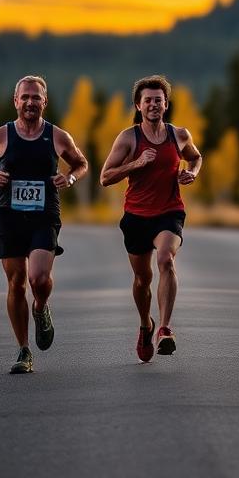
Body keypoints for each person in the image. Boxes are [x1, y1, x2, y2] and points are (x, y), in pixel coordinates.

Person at [0, 75, 88, 374]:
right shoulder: (1, 136)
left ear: (44, 102)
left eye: (36, 97)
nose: (30, 102)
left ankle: (40, 308)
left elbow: (81, 163)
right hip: (9, 214)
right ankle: (24, 350)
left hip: (44, 214)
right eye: (25, 97)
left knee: (39, 278)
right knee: (16, 282)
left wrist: (70, 177)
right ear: (15, 101)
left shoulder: (57, 136)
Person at [99, 74, 202, 362]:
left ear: (166, 104)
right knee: (142, 279)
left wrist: (192, 172)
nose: (154, 105)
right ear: (138, 105)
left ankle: (165, 329)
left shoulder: (178, 135)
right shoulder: (128, 137)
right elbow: (105, 177)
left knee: (166, 260)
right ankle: (146, 324)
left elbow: (196, 157)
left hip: (169, 212)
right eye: (148, 101)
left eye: (159, 100)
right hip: (136, 217)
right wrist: (136, 163)